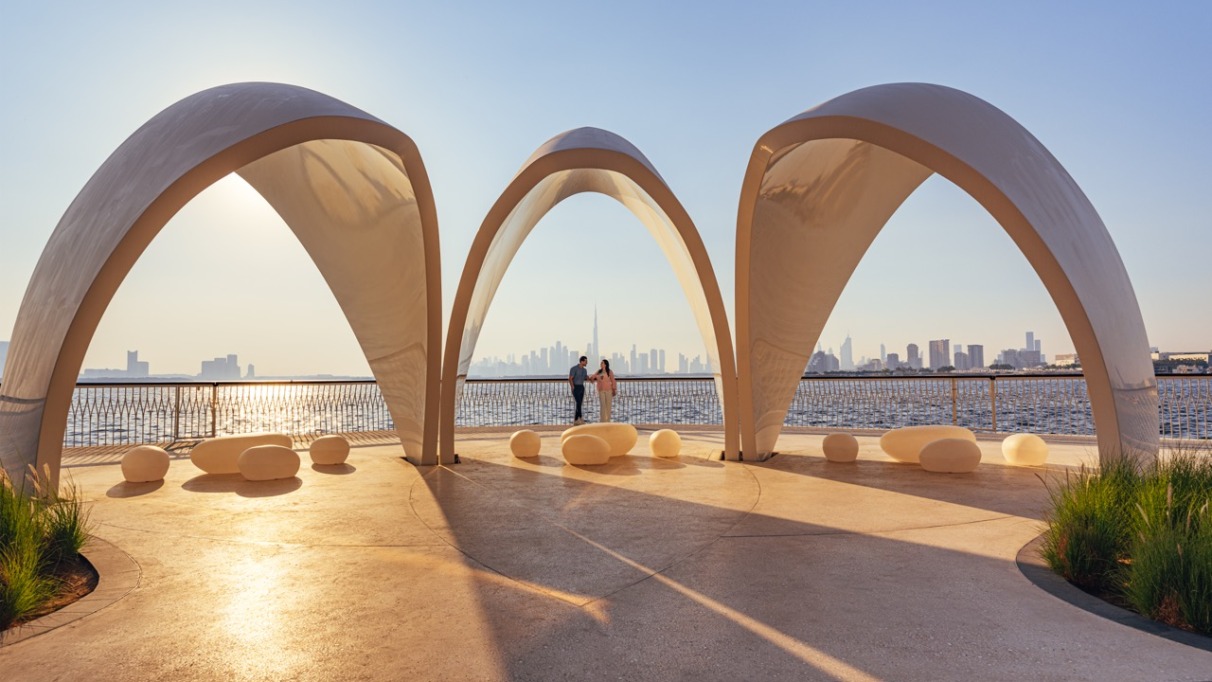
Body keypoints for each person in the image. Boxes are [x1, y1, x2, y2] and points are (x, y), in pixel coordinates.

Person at [568, 356, 589, 425]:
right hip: (575, 387)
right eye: (585, 361)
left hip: (581, 387)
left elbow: (585, 377)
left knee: (579, 403)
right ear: (582, 361)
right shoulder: (574, 369)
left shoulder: (585, 370)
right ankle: (581, 418)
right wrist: (572, 387)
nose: (586, 362)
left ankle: (576, 420)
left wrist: (589, 377)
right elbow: (570, 378)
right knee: (578, 402)